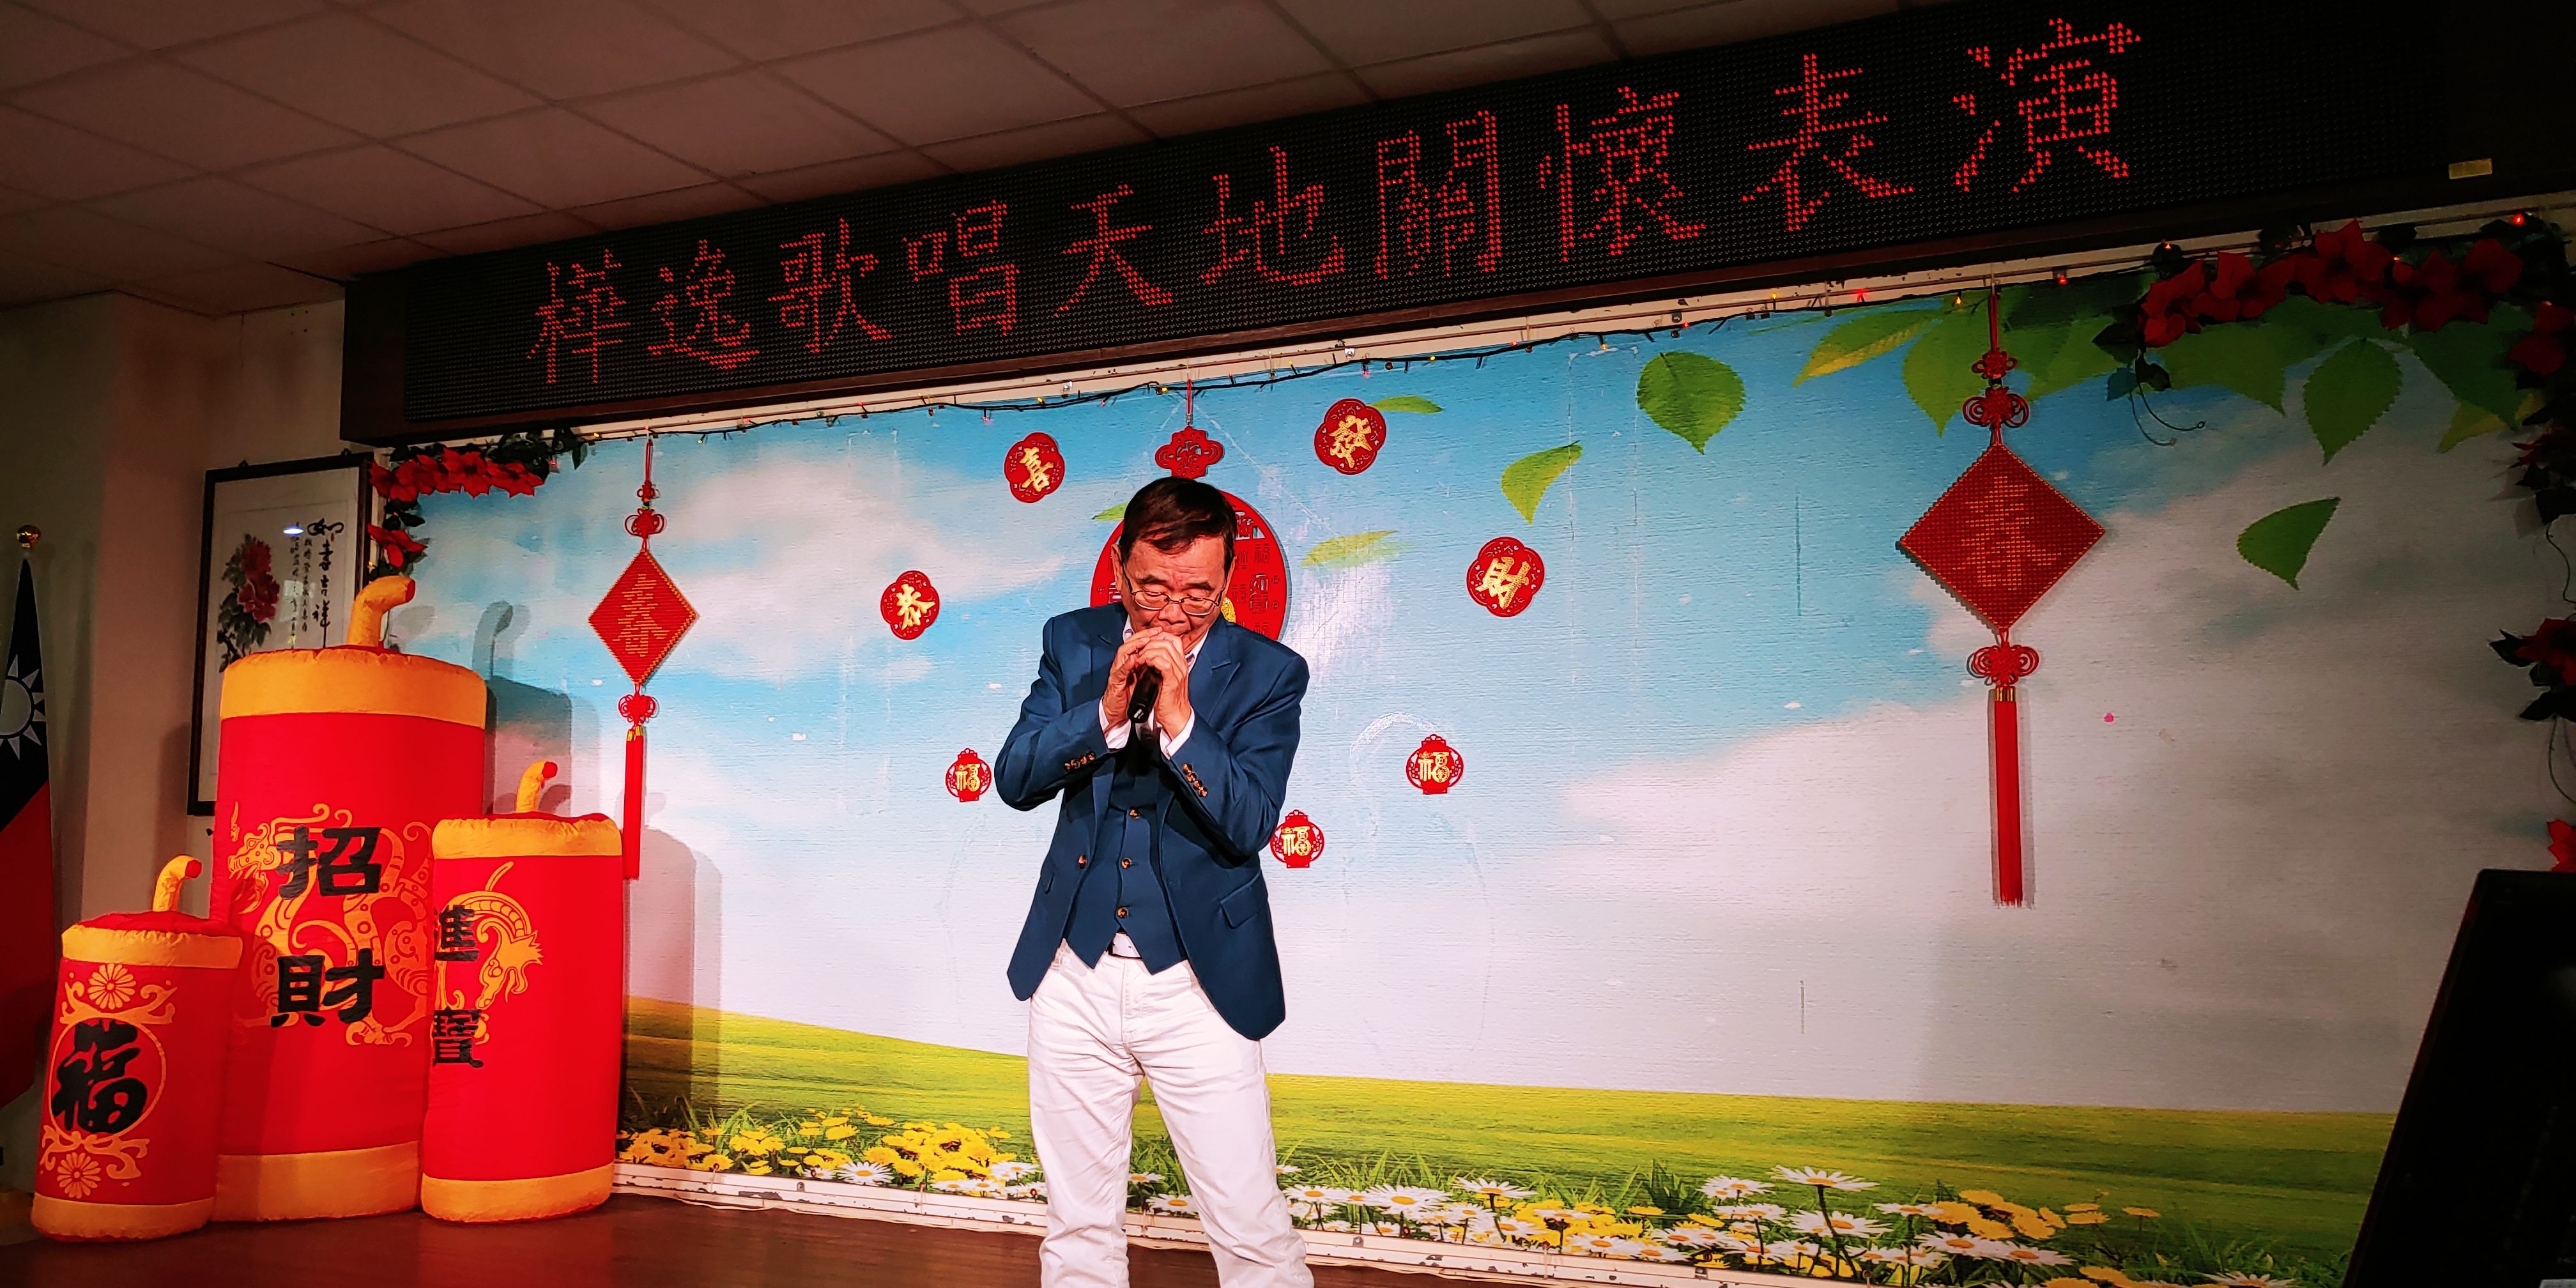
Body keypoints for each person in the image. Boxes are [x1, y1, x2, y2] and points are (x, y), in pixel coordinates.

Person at [997, 475, 1314, 1288]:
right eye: (1152, 589)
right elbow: (1016, 777)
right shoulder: (1073, 642)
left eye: (1198, 594)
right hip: (1073, 970)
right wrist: (1103, 713)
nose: (1173, 612)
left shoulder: (1269, 673)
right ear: (1119, 571)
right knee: (1077, 1225)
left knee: (1249, 1224)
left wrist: (1180, 720)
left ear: (1228, 579)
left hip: (1198, 982)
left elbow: (1250, 822)